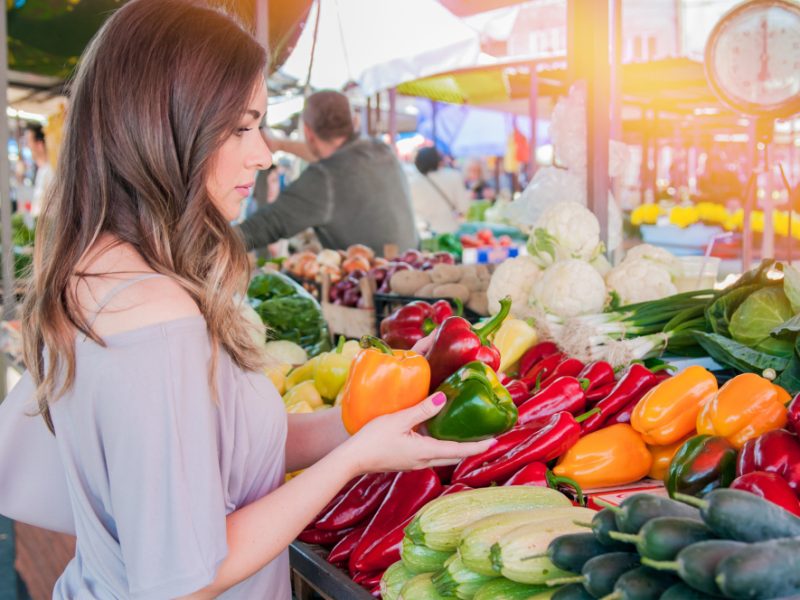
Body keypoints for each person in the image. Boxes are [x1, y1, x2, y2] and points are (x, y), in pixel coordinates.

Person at [0, 2, 493, 598]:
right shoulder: (156, 320)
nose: (263, 154)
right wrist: (354, 459)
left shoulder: (97, 271)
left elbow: (222, 444)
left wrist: (360, 421)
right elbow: (186, 582)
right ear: (167, 130)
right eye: (241, 127)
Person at [237, 90, 418, 256]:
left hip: (371, 287)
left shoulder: (324, 178)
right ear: (354, 121)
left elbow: (265, 226)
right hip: (415, 273)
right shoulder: (381, 150)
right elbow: (330, 156)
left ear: (307, 132)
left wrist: (213, 245)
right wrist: (280, 144)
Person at [408, 146, 470, 235]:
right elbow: (463, 207)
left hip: (423, 233)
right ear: (437, 160)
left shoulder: (411, 182)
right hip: (449, 233)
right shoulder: (453, 176)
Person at [24, 122, 54, 217]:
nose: (27, 146)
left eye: (29, 142)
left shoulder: (50, 172)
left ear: (39, 144)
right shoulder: (41, 171)